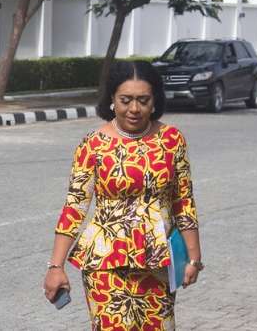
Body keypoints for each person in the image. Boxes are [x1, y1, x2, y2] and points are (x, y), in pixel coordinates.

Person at [43, 61, 203, 330]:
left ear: (155, 101)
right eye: (125, 100)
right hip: (104, 263)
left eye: (143, 100)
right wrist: (55, 266)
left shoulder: (172, 140)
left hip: (159, 262)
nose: (134, 108)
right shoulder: (92, 145)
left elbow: (183, 201)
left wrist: (194, 258)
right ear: (111, 101)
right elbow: (74, 206)